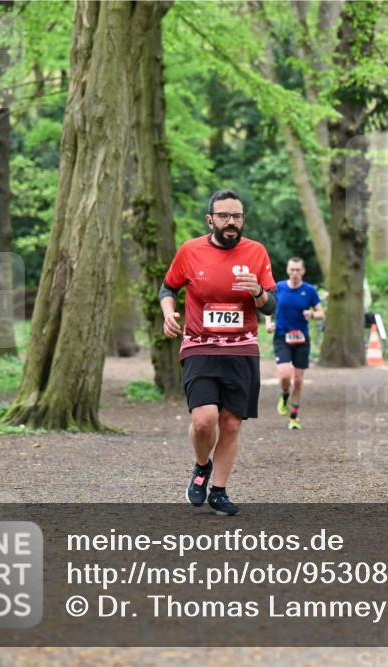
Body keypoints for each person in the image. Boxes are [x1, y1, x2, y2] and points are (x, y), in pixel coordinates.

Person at [159, 189, 277, 515]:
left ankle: (219, 491)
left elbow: (270, 305)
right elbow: (168, 287)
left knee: (231, 424)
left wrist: (257, 293)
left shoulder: (256, 252)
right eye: (224, 216)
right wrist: (168, 312)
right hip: (199, 345)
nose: (231, 222)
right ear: (210, 219)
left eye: (237, 216)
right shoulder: (190, 251)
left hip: (242, 349)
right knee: (204, 419)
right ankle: (201, 467)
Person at [265, 257, 324, 430]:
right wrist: (268, 323)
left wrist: (312, 315)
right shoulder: (279, 288)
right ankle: (284, 395)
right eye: (292, 270)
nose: (295, 273)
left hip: (301, 339)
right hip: (282, 337)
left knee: (298, 379)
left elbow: (321, 313)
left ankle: (294, 417)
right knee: (284, 374)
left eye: (298, 270)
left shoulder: (309, 290)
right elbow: (268, 306)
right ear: (287, 270)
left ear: (303, 271)